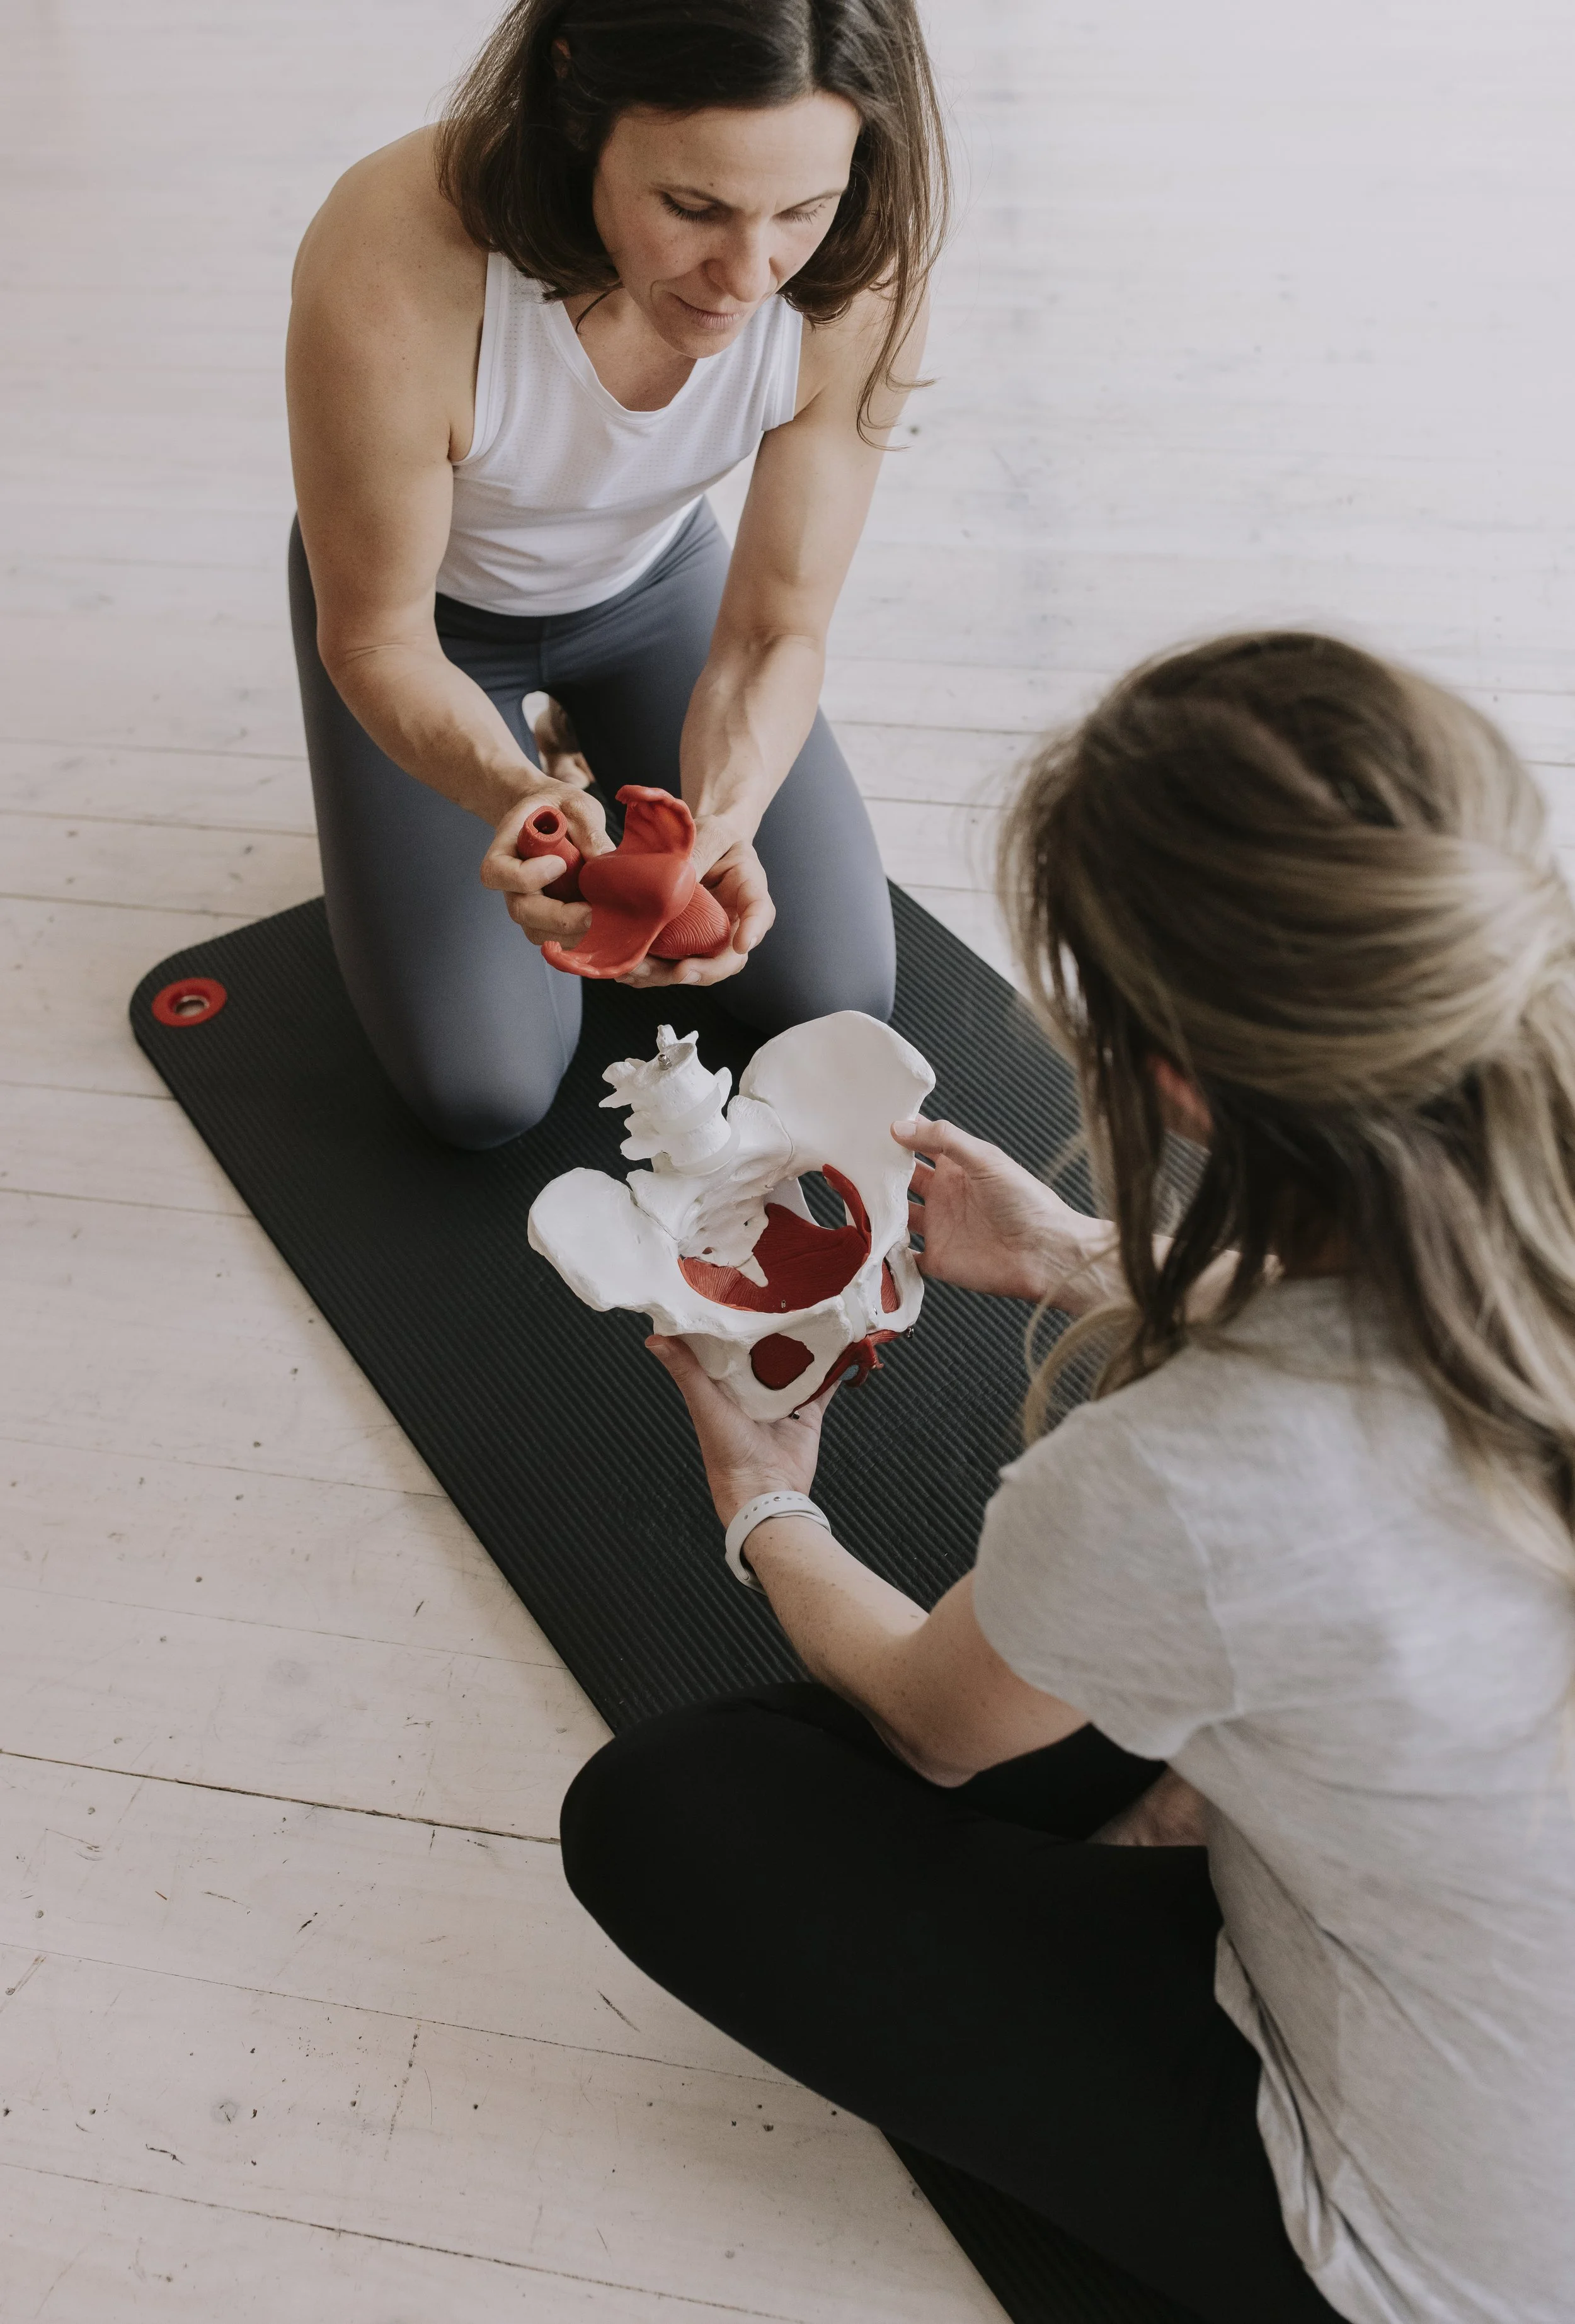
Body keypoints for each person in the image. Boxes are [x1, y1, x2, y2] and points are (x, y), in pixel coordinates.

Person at [560, 632, 1575, 2324]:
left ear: (1167, 1075)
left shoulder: (1194, 1478)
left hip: (1463, 2270)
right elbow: (1428, 1349)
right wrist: (1090, 1262)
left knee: (669, 1816)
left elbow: (926, 1716)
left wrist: (762, 1495)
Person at [285, 0, 948, 1148]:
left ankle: (600, 745)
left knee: (831, 994)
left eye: (803, 208)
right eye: (693, 206)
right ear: (575, 94)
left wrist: (725, 820)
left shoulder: (858, 268)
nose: (747, 277)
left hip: (650, 586)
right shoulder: (394, 246)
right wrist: (513, 797)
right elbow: (377, 637)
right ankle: (551, 761)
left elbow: (776, 631)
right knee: (484, 1093)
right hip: (426, 622)